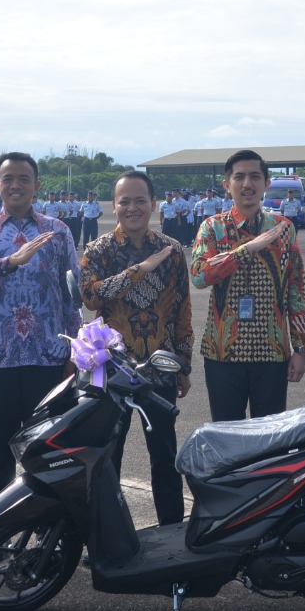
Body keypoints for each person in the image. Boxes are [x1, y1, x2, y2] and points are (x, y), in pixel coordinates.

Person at [0, 152, 81, 503]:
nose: (15, 185)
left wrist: (75, 350)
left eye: (24, 178)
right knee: (0, 453)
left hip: (48, 356)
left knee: (46, 451)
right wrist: (9, 262)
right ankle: (0, 532)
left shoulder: (57, 231)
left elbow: (73, 295)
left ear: (37, 185)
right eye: (8, 178)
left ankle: (45, 532)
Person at [81, 170, 194, 525]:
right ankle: (106, 534)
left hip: (159, 369)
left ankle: (172, 530)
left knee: (164, 455)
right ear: (113, 207)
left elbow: (182, 311)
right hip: (111, 370)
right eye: (124, 201)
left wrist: (184, 365)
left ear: (153, 204)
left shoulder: (172, 251)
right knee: (106, 457)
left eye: (140, 200)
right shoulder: (98, 250)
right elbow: (90, 296)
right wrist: (140, 269)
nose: (133, 208)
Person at [189, 151, 305, 421]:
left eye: (255, 176)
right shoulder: (212, 227)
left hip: (272, 350)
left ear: (266, 183)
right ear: (226, 184)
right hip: (222, 352)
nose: (247, 184)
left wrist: (300, 348)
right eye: (239, 177)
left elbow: (296, 290)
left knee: (269, 440)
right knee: (227, 436)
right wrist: (248, 249)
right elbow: (198, 276)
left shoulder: (284, 228)